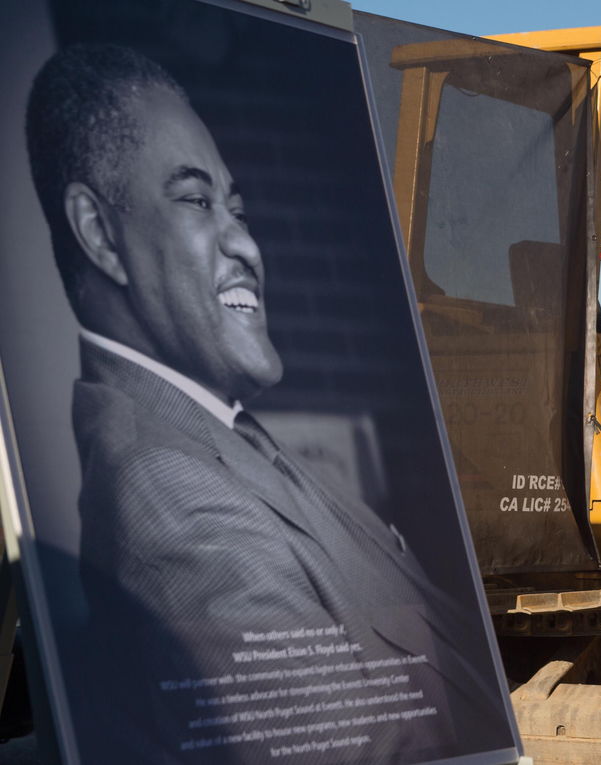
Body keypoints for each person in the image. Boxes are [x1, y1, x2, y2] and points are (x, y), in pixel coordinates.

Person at [25, 43, 502, 763]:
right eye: (194, 200)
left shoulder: (223, 435)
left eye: (237, 208)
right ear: (100, 234)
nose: (246, 242)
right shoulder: (166, 489)